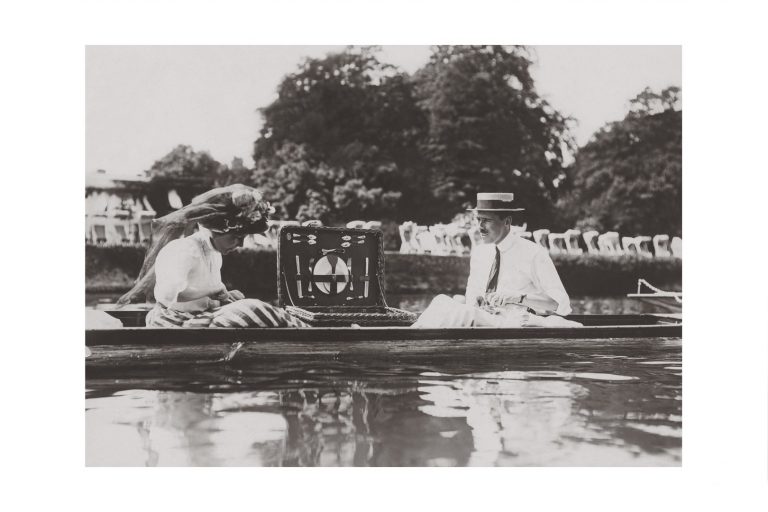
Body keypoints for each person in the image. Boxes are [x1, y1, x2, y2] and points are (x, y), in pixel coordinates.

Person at [117, 184, 308, 328]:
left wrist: (223, 297)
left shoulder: (214, 253)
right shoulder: (184, 249)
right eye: (236, 237)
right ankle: (301, 331)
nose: (240, 244)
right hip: (172, 321)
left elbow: (206, 298)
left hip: (199, 318)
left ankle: (299, 328)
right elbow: (168, 297)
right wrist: (212, 289)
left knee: (251, 306)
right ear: (216, 230)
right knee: (251, 308)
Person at [413, 192, 581, 328]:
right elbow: (472, 295)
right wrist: (477, 300)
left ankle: (411, 344)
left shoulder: (534, 253)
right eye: (478, 220)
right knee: (442, 300)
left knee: (465, 314)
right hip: (487, 319)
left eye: (486, 220)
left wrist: (518, 297)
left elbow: (561, 305)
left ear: (507, 221)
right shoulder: (479, 253)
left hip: (515, 323)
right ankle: (411, 339)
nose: (480, 226)